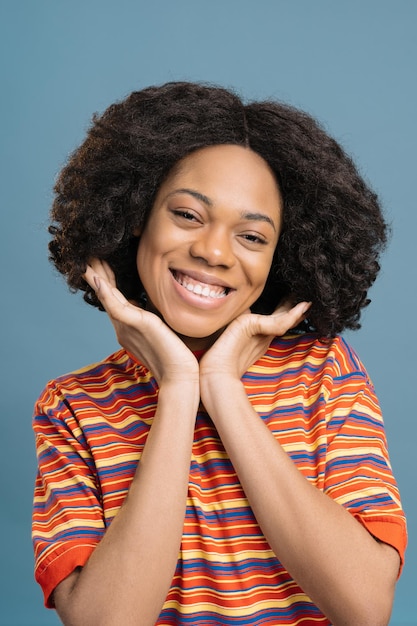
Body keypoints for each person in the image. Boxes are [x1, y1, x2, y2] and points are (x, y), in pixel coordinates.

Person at [32, 81, 407, 626]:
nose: (212, 251)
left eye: (252, 237)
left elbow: (366, 607)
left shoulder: (323, 372)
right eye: (187, 214)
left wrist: (224, 389)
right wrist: (181, 387)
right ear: (137, 215)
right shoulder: (71, 406)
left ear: (281, 256)